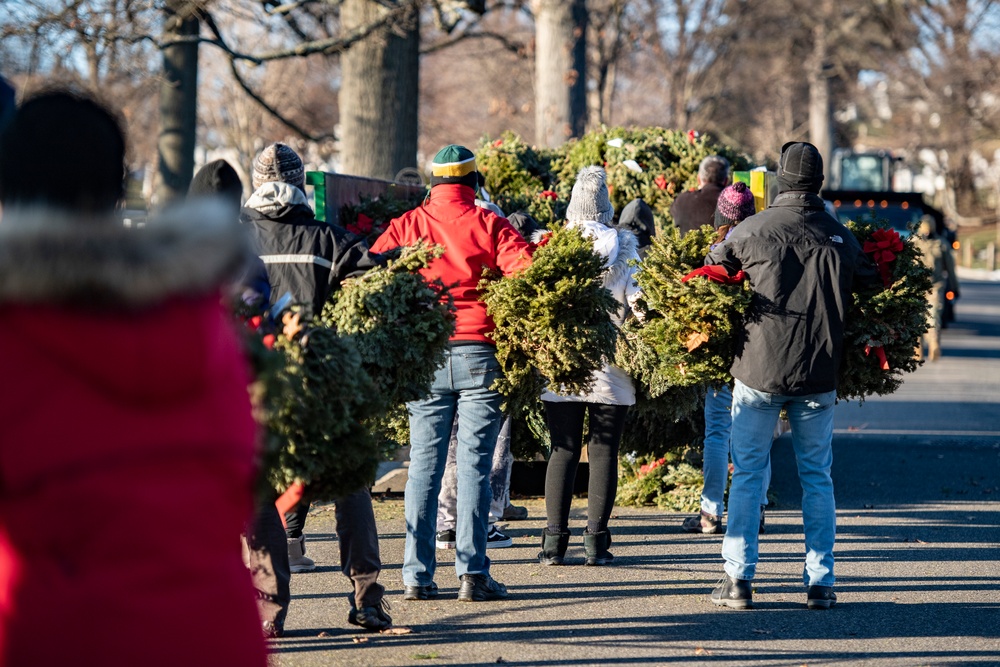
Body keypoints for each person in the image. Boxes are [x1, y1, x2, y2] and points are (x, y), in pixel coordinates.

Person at [0, 89, 266, 665]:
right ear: (118, 189)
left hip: (59, 633)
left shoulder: (15, 334)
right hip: (214, 634)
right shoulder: (198, 321)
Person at [704, 142, 877, 610]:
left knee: (748, 475)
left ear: (781, 180)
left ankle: (738, 580)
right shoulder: (840, 238)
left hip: (758, 371)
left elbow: (714, 268)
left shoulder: (750, 231)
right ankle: (820, 582)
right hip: (819, 374)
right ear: (818, 184)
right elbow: (873, 280)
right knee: (817, 477)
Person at [370, 144, 532, 602]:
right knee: (475, 468)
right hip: (480, 352)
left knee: (423, 466)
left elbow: (372, 272)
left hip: (426, 357)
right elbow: (529, 275)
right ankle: (472, 574)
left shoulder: (407, 225)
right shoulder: (489, 223)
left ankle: (416, 577)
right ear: (473, 182)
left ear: (434, 183)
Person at [241, 142, 390, 630]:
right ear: (301, 185)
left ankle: (268, 612)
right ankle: (367, 597)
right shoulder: (330, 241)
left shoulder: (235, 242)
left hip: (257, 390)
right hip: (321, 385)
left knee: (261, 494)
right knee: (349, 485)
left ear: (256, 185)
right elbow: (380, 283)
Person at [189, 159, 290, 639]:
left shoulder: (167, 248)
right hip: (241, 384)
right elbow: (256, 307)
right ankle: (266, 609)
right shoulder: (243, 247)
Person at [537, 166, 643, 567]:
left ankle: (552, 544)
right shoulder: (626, 249)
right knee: (603, 453)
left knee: (561, 450)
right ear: (605, 209)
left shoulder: (552, 247)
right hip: (611, 366)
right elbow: (641, 304)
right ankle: (596, 543)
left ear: (571, 209)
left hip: (562, 363)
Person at [681, 182, 771, 536]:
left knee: (717, 434)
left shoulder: (716, 252)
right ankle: (758, 509)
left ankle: (710, 513)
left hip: (720, 358)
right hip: (758, 354)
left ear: (720, 215)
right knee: (758, 436)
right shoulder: (763, 249)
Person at [912, 215, 958, 361]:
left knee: (933, 316)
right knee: (916, 318)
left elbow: (950, 268)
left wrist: (955, 287)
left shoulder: (941, 244)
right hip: (917, 287)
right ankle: (917, 350)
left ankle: (934, 344)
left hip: (935, 286)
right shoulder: (913, 243)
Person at [669, 155, 730, 235]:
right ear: (726, 181)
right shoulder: (732, 204)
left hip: (687, 247)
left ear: (698, 179)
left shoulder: (683, 200)